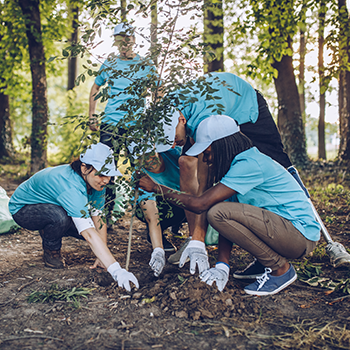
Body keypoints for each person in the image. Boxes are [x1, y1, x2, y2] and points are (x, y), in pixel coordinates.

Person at [138, 115, 320, 296]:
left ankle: (280, 269)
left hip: (299, 235)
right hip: (285, 232)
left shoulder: (249, 164)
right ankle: (264, 262)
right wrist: (222, 266)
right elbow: (226, 222)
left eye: (207, 153)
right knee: (220, 211)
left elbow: (201, 205)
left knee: (216, 212)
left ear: (222, 145)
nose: (207, 160)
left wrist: (156, 188)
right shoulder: (236, 167)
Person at [162, 72, 294, 264]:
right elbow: (188, 162)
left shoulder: (205, 116)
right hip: (212, 105)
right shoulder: (167, 110)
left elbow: (205, 174)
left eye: (173, 138)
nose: (173, 145)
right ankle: (193, 238)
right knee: (185, 161)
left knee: (275, 159)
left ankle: (290, 224)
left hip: (245, 104)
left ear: (181, 120)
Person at [9, 143, 139, 292]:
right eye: (102, 174)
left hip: (53, 204)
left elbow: (98, 217)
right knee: (60, 218)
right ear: (84, 168)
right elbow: (89, 233)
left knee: (87, 229)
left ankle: (50, 227)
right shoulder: (71, 186)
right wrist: (116, 271)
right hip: (23, 209)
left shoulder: (96, 183)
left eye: (109, 175)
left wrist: (103, 258)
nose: (106, 180)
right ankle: (51, 250)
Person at [89, 23, 155, 220]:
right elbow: (95, 88)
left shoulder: (145, 65)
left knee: (140, 169)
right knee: (105, 168)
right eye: (120, 38)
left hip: (136, 126)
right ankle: (105, 214)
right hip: (111, 124)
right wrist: (92, 115)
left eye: (127, 38)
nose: (124, 42)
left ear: (134, 39)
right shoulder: (109, 64)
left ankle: (147, 218)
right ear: (116, 42)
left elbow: (158, 90)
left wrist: (153, 117)